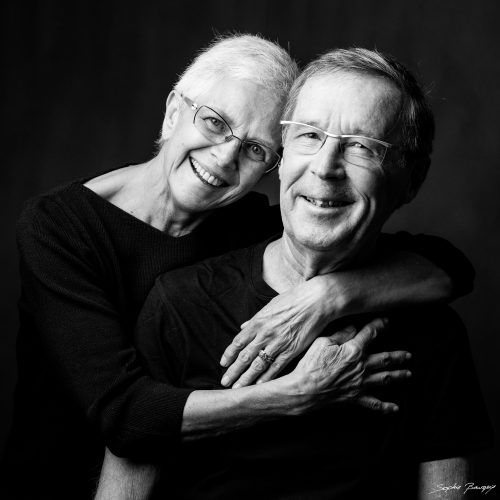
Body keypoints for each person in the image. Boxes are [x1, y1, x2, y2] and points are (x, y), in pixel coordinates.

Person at [3, 35, 475, 500]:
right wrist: (298, 394)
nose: (225, 156)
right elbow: (127, 420)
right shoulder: (59, 227)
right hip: (57, 474)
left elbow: (445, 264)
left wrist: (327, 295)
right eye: (213, 122)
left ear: (276, 161)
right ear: (173, 112)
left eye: (255, 149)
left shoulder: (248, 224)